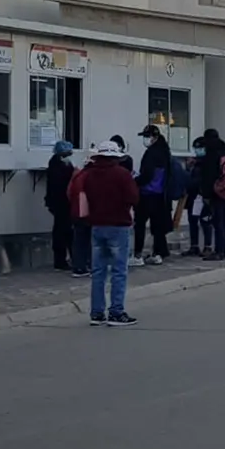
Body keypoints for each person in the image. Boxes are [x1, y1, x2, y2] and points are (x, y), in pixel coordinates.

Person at [81, 141, 140, 326]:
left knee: (98, 272)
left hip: (97, 226)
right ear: (116, 157)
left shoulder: (89, 175)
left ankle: (97, 313)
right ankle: (116, 311)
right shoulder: (122, 174)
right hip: (118, 226)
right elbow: (134, 197)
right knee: (118, 271)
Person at [130, 124, 173, 266]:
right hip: (160, 195)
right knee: (157, 226)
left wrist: (136, 180)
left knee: (140, 225)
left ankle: (137, 255)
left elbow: (147, 175)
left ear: (154, 137)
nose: (145, 139)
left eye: (147, 136)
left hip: (147, 194)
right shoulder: (165, 151)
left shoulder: (151, 153)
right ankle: (158, 254)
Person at [200, 128, 225, 261]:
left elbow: (208, 176)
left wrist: (206, 195)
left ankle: (218, 251)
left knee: (218, 222)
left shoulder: (211, 153)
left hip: (216, 192)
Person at [45, 140, 75, 271]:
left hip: (60, 203)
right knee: (63, 232)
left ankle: (65, 258)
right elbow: (60, 185)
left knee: (64, 231)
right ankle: (61, 260)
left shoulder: (60, 164)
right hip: (61, 203)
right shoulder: (58, 166)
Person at [181, 137, 213, 257]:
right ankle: (194, 246)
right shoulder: (196, 163)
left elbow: (200, 180)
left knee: (205, 221)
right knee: (192, 220)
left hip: (203, 195)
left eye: (199, 148)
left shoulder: (207, 163)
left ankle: (208, 246)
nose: (197, 151)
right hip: (193, 196)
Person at [66, 157, 93, 278]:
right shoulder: (92, 177)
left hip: (76, 212)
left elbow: (69, 193)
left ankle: (78, 267)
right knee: (91, 241)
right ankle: (91, 265)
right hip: (88, 213)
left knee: (78, 241)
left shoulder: (77, 175)